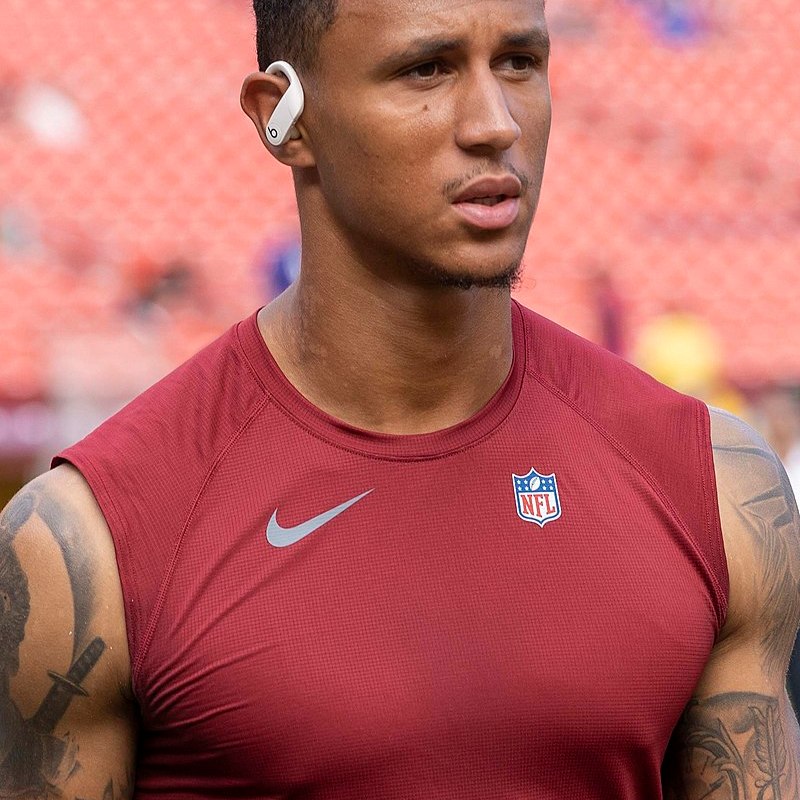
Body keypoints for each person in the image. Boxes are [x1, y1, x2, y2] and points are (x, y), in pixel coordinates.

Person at [2, 0, 799, 797]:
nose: (495, 123)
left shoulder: (715, 490)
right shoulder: (90, 545)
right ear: (284, 117)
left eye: (520, 62)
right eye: (426, 70)